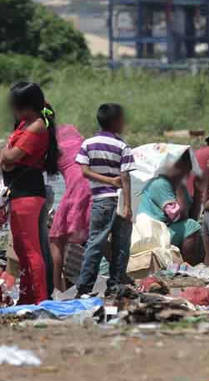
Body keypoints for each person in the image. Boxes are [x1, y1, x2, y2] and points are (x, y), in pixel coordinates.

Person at [0, 82, 59, 304]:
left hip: (28, 194)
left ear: (26, 105)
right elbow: (5, 160)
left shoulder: (35, 126)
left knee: (31, 249)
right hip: (20, 192)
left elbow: (9, 157)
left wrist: (6, 153)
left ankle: (40, 298)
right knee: (21, 248)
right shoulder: (25, 124)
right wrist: (6, 156)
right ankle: (27, 295)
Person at [75, 104, 135, 296]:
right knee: (121, 245)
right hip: (117, 200)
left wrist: (106, 180)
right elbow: (125, 178)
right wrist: (128, 206)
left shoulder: (88, 144)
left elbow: (84, 171)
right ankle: (114, 284)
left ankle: (84, 287)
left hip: (100, 201)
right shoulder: (123, 146)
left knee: (95, 243)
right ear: (117, 122)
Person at [138, 151, 203, 265]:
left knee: (196, 226)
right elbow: (179, 215)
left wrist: (198, 193)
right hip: (152, 233)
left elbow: (191, 215)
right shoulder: (160, 183)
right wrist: (180, 187)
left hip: (165, 229)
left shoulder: (176, 185)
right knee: (191, 226)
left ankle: (194, 263)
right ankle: (188, 265)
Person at [48, 124, 92, 292]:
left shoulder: (51, 144)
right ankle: (119, 277)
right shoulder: (78, 139)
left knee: (56, 239)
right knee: (97, 237)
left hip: (78, 188)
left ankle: (57, 289)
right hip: (97, 186)